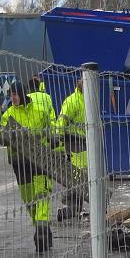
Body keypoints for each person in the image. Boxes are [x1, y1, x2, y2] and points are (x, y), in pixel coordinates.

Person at [0, 81, 54, 252]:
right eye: (11, 95)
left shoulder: (39, 112)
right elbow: (1, 137)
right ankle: (39, 224)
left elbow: (50, 129)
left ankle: (42, 228)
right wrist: (6, 137)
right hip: (20, 163)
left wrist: (54, 141)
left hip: (39, 162)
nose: (13, 98)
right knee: (29, 199)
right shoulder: (8, 115)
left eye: (15, 94)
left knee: (42, 194)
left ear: (22, 94)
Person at [52, 78, 87, 221]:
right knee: (79, 177)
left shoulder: (86, 99)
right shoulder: (72, 101)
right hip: (73, 143)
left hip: (83, 143)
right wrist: (58, 136)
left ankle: (72, 209)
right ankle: (68, 197)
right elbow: (62, 118)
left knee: (81, 177)